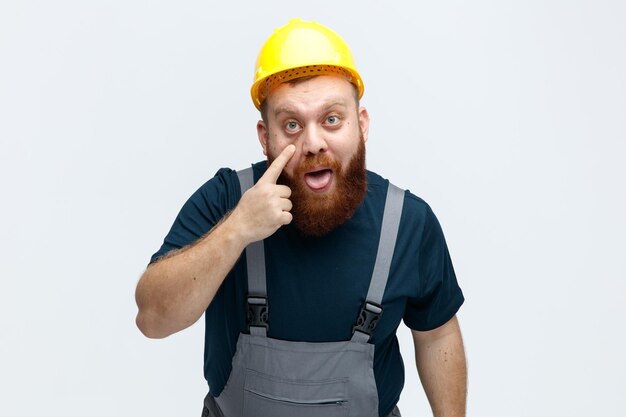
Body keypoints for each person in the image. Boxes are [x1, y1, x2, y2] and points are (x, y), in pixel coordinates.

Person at [135, 18, 467, 417]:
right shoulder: (226, 200)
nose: (312, 143)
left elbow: (436, 335)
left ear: (361, 125)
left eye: (332, 119)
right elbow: (152, 319)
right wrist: (237, 229)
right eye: (291, 124)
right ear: (265, 137)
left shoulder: (407, 223)